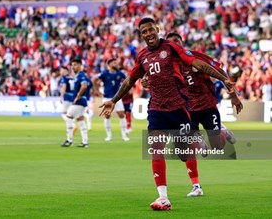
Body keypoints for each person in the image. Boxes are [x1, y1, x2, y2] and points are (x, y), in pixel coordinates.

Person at [99, 17, 235, 211]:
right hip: (156, 109)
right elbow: (130, 80)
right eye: (144, 32)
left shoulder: (171, 48)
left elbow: (197, 62)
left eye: (151, 30)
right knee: (156, 149)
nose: (148, 34)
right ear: (141, 35)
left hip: (179, 108)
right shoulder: (143, 56)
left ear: (157, 29)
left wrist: (223, 79)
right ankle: (163, 198)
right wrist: (114, 100)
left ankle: (218, 132)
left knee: (183, 153)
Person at [141, 32, 243, 198]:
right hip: (186, 108)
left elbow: (218, 69)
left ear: (181, 43)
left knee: (217, 146)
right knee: (190, 150)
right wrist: (145, 82)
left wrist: (233, 94)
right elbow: (151, 77)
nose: (175, 45)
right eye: (171, 42)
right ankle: (196, 185)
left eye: (177, 41)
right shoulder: (164, 61)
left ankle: (221, 131)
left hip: (207, 105)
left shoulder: (194, 57)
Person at [93, 58, 129, 141]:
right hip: (107, 97)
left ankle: (124, 135)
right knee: (107, 115)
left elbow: (127, 80)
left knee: (121, 114)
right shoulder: (104, 73)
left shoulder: (120, 73)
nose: (116, 64)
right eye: (114, 63)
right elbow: (94, 79)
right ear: (108, 64)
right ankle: (109, 136)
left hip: (117, 97)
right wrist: (97, 90)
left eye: (116, 63)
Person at [61, 58, 89, 148]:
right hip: (82, 101)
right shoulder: (77, 76)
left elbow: (84, 86)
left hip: (79, 101)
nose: (73, 67)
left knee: (68, 116)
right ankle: (85, 142)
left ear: (80, 65)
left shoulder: (81, 75)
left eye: (75, 65)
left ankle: (69, 140)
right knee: (80, 119)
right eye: (72, 65)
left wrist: (78, 96)